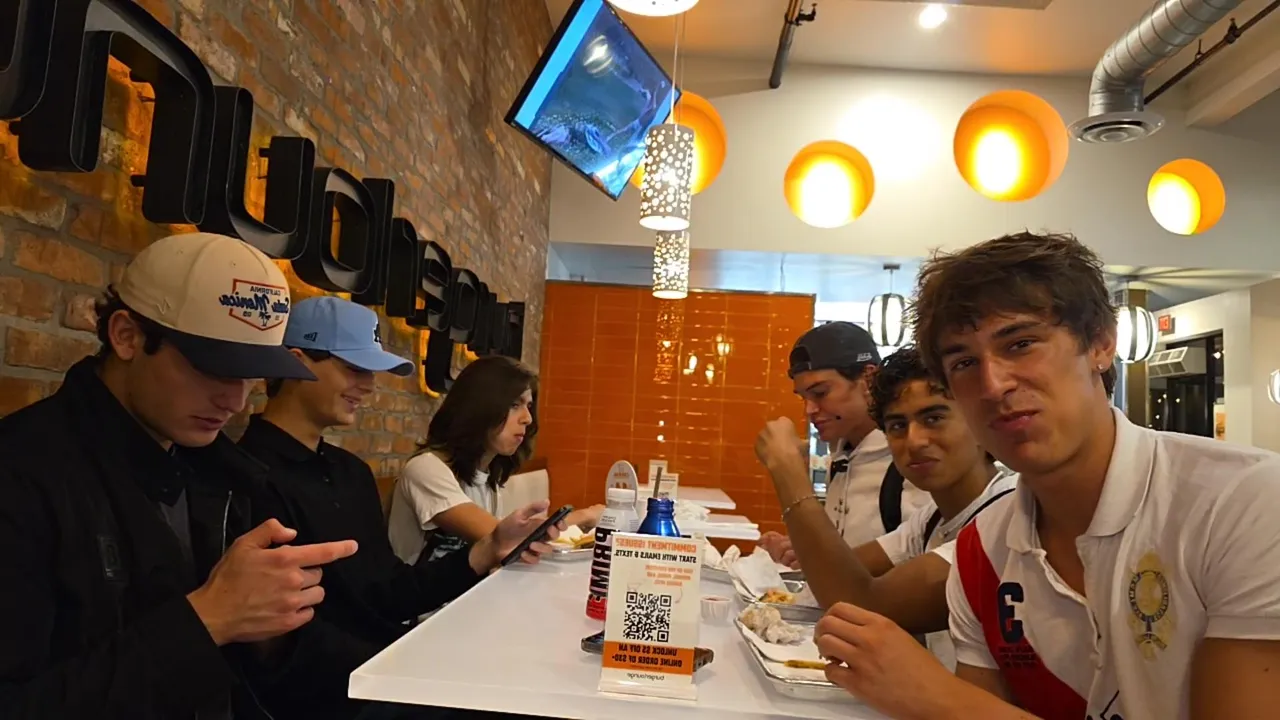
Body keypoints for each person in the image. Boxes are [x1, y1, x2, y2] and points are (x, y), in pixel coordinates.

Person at [814, 232, 1280, 720]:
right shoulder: (981, 553)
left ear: (1101, 343)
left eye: (1021, 344)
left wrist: (938, 697)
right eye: (965, 363)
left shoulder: (1241, 502)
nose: (993, 384)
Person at [0, 232, 359, 719]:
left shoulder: (222, 473)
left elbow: (251, 670)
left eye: (251, 373)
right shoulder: (23, 474)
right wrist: (207, 621)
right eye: (214, 367)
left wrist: (271, 635)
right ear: (127, 336)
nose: (235, 401)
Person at [238, 297, 563, 720]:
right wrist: (407, 665)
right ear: (297, 363)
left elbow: (388, 590)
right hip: (330, 695)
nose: (369, 385)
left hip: (385, 665)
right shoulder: (245, 476)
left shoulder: (350, 472)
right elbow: (283, 642)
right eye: (354, 368)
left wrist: (487, 549)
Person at [755, 346, 1014, 669]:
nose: (915, 441)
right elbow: (844, 570)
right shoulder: (932, 518)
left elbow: (861, 604)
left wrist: (788, 471)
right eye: (897, 425)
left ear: (980, 423)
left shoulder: (1003, 518)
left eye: (933, 418)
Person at [388, 355, 602, 566]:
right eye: (514, 405)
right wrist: (587, 515)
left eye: (528, 406)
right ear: (480, 408)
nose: (527, 418)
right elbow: (505, 539)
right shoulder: (426, 469)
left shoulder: (488, 475)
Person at [758, 322, 930, 567]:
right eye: (804, 397)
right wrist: (802, 552)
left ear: (868, 380)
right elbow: (842, 559)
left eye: (820, 393)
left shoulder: (911, 462)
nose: (809, 410)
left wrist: (788, 469)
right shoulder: (842, 458)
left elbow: (919, 569)